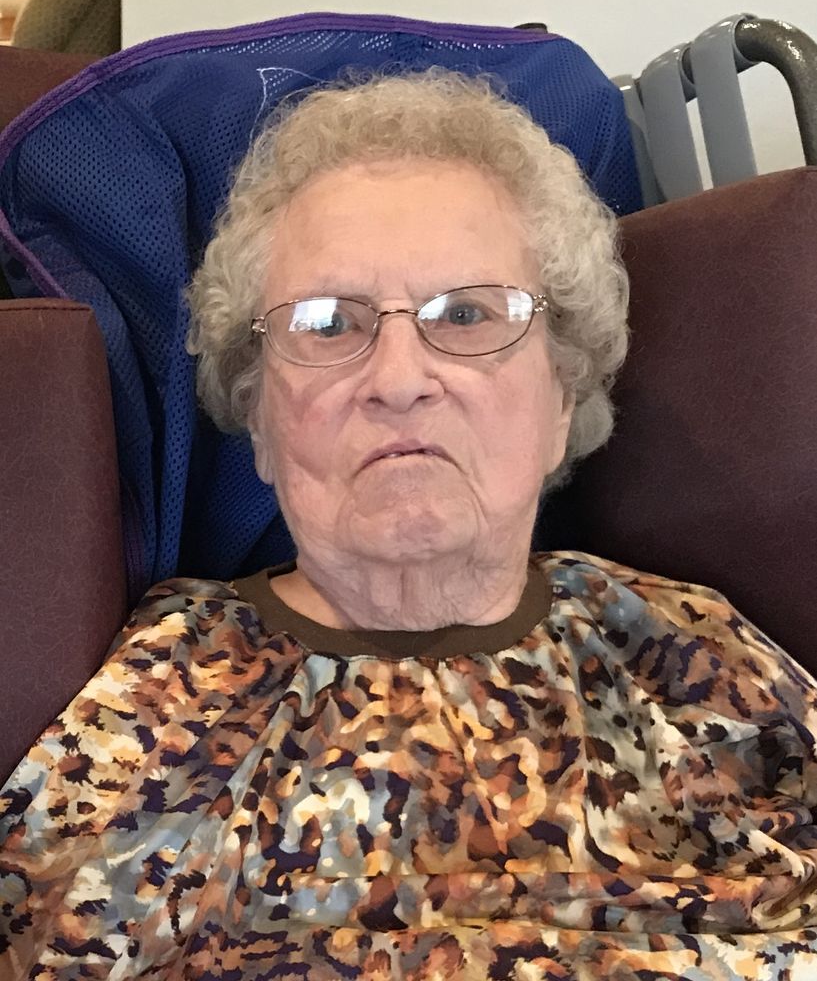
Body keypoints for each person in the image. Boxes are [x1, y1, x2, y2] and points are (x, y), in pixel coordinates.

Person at [1, 68, 816, 981]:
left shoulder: (694, 659)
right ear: (259, 417)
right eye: (327, 322)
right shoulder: (154, 708)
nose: (397, 379)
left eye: (466, 314)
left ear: (561, 396)